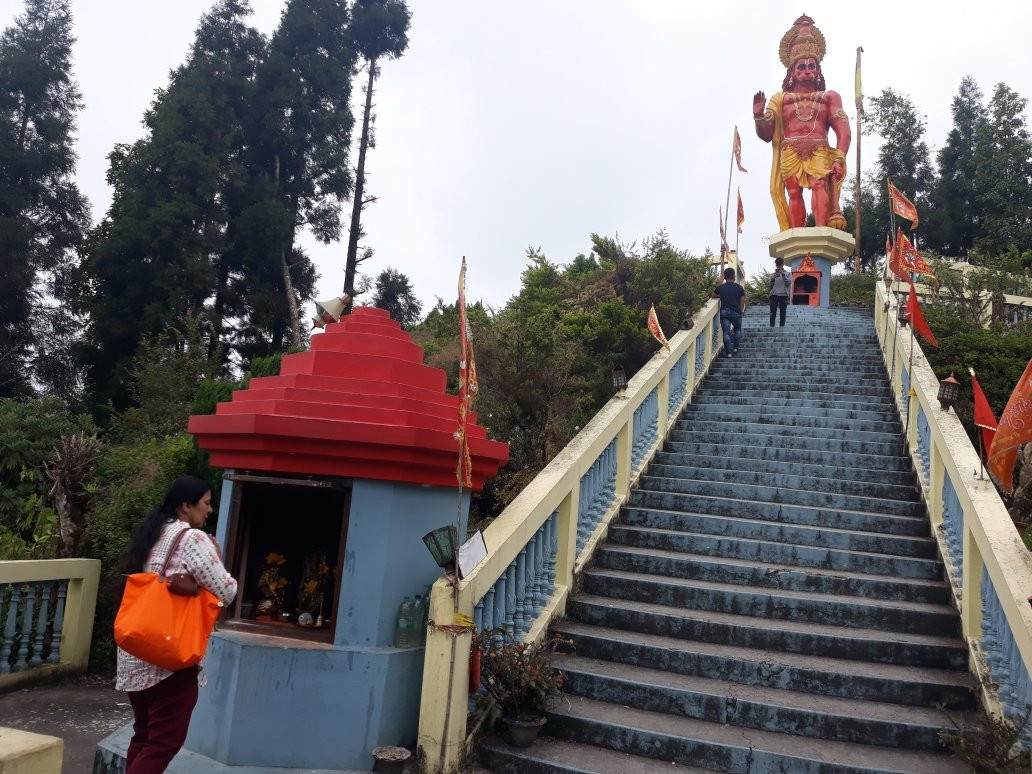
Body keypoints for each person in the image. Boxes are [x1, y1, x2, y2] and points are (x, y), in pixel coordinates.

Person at [116, 476, 237, 773]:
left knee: (144, 734)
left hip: (136, 651)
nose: (209, 510)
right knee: (163, 742)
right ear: (186, 506)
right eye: (206, 503)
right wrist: (217, 557)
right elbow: (226, 590)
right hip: (170, 656)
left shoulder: (153, 533)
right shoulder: (193, 538)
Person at [752, 15, 851, 232]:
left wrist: (838, 158)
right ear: (792, 71)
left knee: (818, 184)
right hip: (790, 150)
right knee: (793, 190)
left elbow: (844, 133)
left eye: (811, 66)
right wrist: (759, 116)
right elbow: (767, 134)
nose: (807, 70)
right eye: (801, 67)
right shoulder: (781, 99)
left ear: (817, 70)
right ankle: (796, 232)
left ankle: (821, 229)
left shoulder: (829, 97)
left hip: (819, 149)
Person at [713, 267, 746, 357]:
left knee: (726, 332)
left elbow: (713, 295)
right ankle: (735, 348)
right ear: (733, 276)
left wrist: (721, 296)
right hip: (736, 312)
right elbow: (742, 301)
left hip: (724, 312)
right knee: (737, 330)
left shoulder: (721, 287)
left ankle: (728, 353)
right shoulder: (739, 288)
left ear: (725, 277)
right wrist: (741, 310)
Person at [769, 257, 791, 327]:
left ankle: (782, 328)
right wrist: (773, 279)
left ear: (783, 265)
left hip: (783, 295)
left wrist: (783, 275)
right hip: (773, 295)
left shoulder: (788, 274)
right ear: (776, 265)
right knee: (772, 313)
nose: (778, 266)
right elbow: (770, 287)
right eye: (777, 265)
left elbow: (788, 284)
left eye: (779, 265)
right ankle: (772, 327)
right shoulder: (772, 275)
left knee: (783, 313)